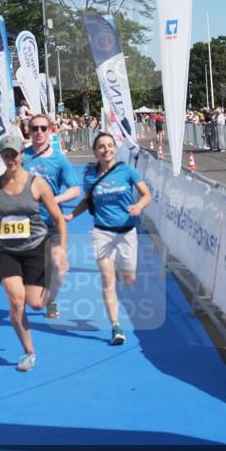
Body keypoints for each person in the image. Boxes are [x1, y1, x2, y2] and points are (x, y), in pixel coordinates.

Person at [0, 135, 68, 372]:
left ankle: (51, 293)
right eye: (6, 154)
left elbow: (58, 219)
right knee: (16, 301)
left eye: (14, 154)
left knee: (35, 303)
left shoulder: (37, 183)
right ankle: (28, 352)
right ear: (2, 157)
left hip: (35, 248)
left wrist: (61, 249)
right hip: (6, 250)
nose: (11, 158)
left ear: (22, 155)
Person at [66, 132, 152, 346]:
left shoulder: (127, 171)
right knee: (107, 280)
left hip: (126, 232)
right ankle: (116, 327)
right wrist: (71, 215)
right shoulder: (90, 176)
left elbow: (147, 194)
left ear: (115, 148)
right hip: (101, 232)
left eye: (110, 145)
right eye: (102, 147)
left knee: (129, 279)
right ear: (95, 152)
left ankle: (118, 271)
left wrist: (139, 206)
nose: (106, 150)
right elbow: (87, 201)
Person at [22, 113, 82, 319]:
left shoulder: (59, 159)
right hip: (26, 223)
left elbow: (75, 189)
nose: (38, 132)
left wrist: (53, 200)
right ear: (28, 131)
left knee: (58, 264)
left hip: (52, 221)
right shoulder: (21, 157)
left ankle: (51, 298)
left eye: (43, 128)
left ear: (50, 131)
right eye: (34, 128)